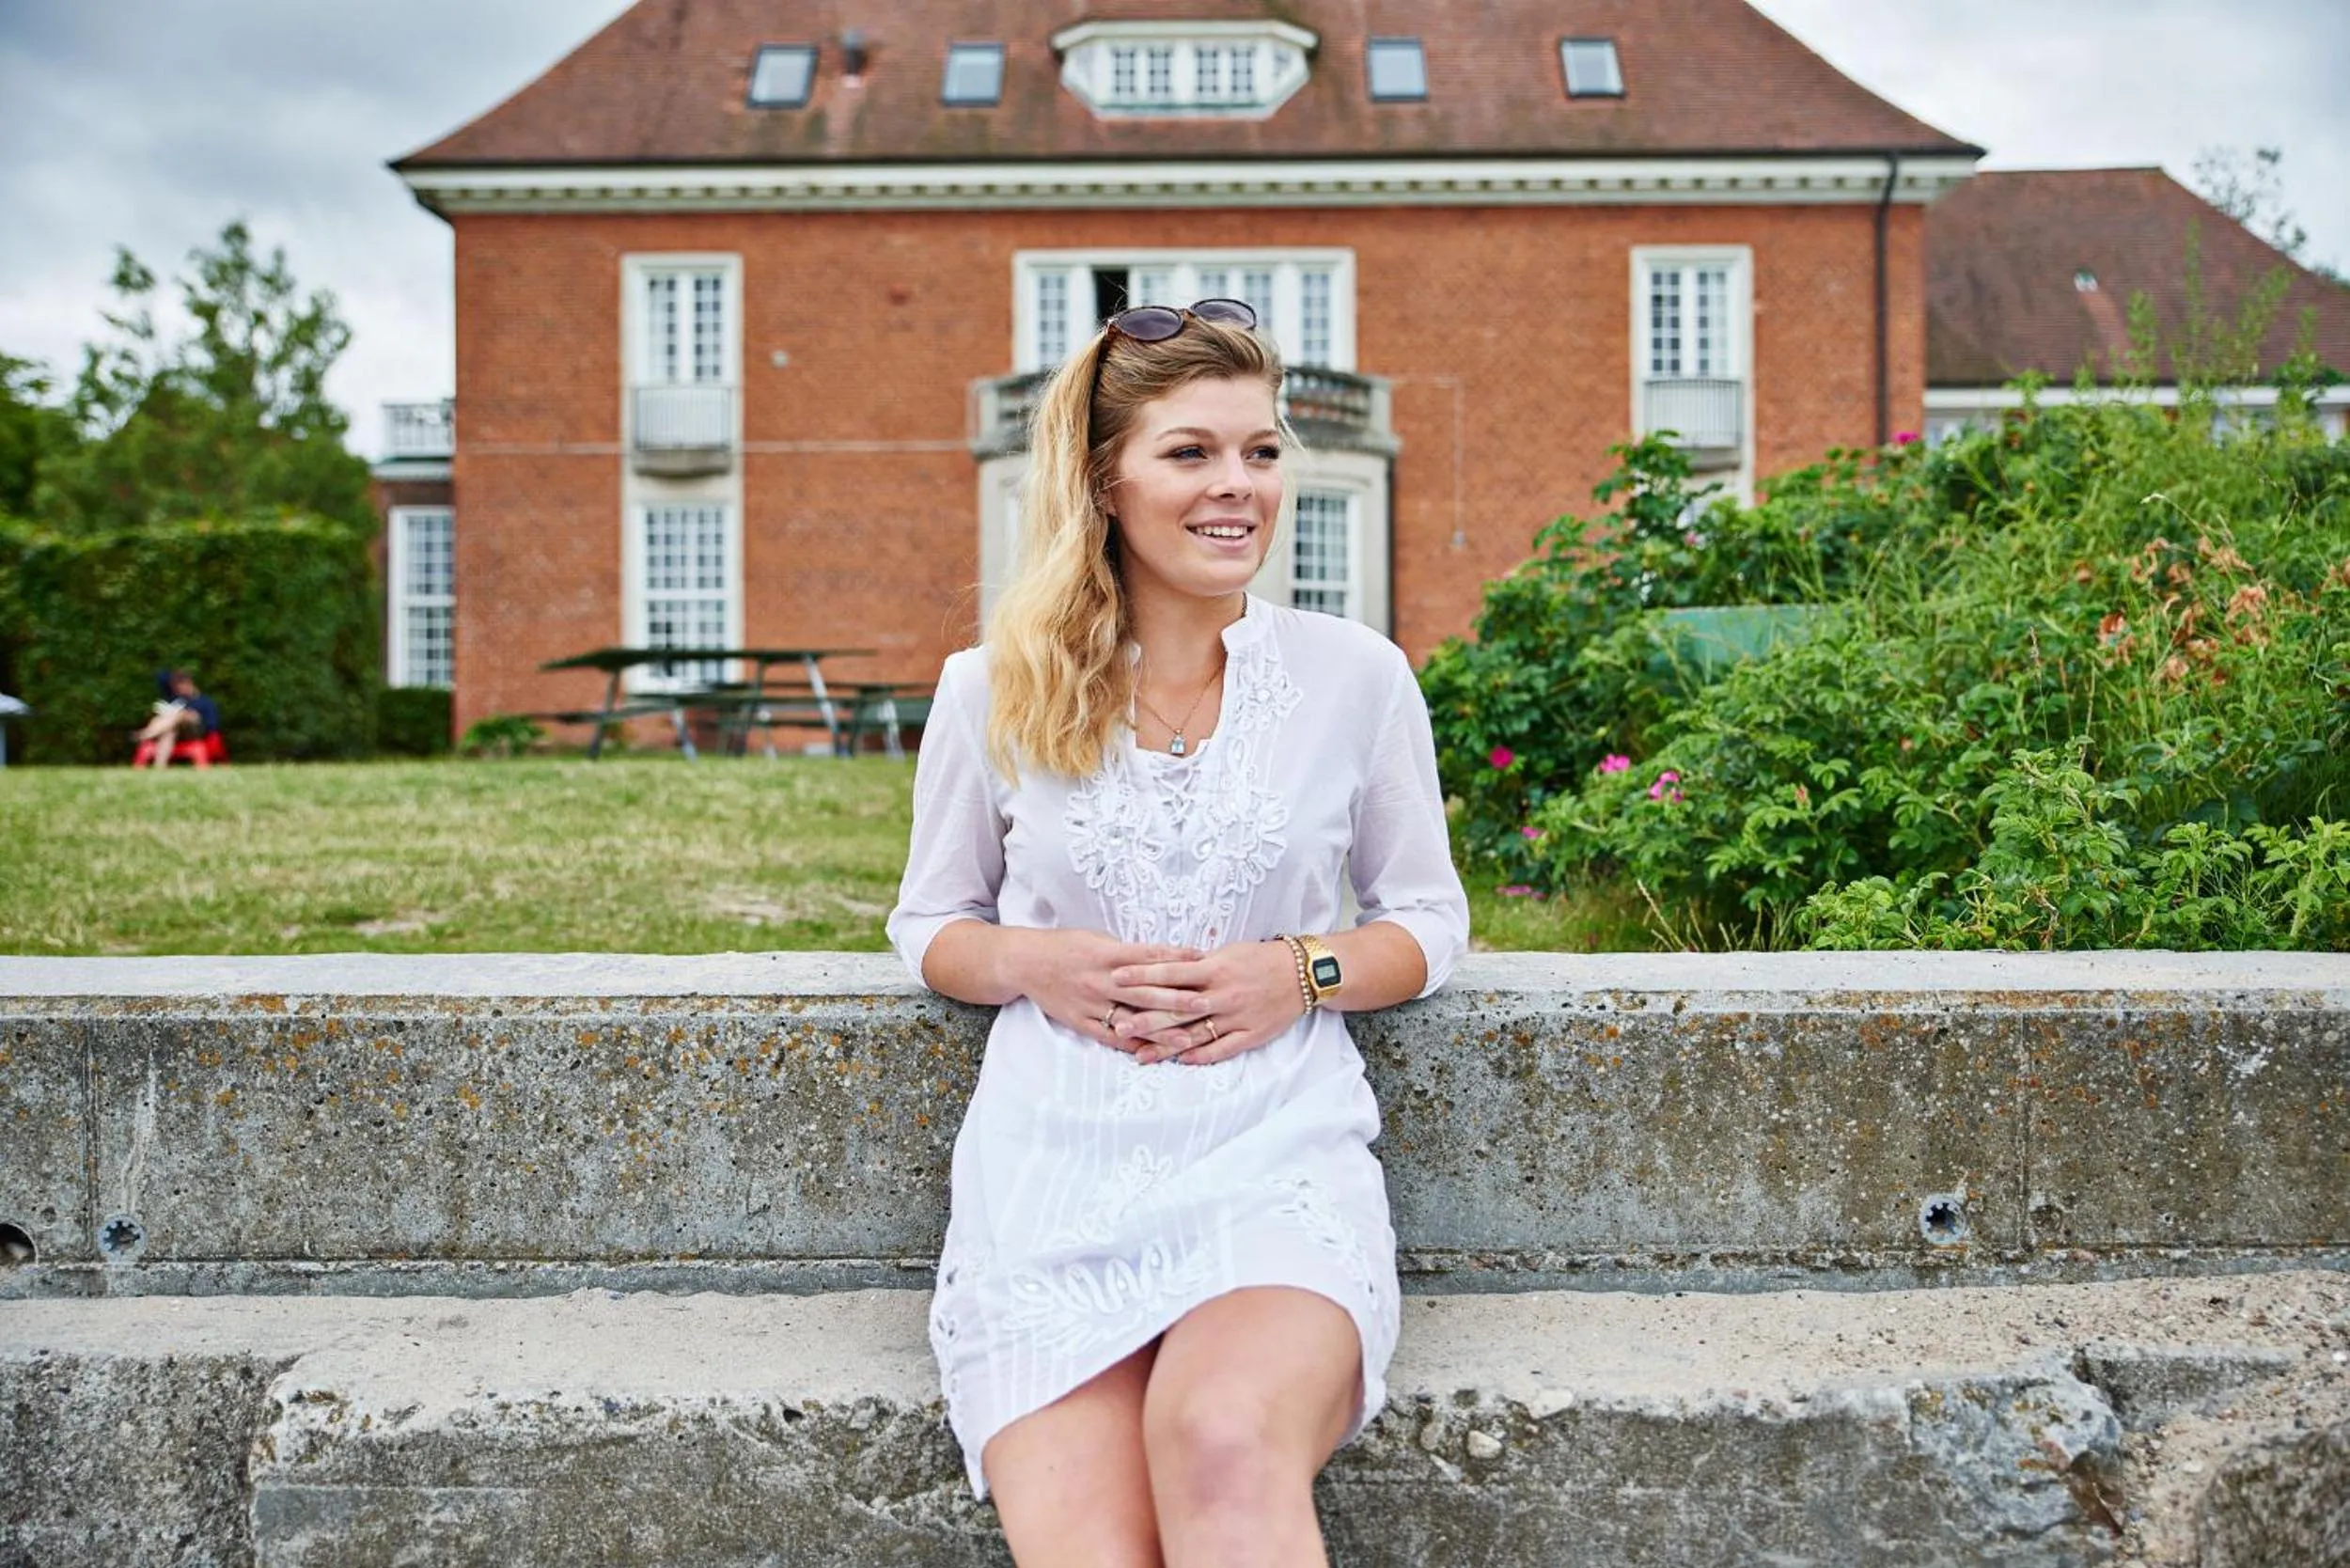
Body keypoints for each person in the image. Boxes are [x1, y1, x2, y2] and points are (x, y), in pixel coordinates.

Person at [886, 297, 1468, 1567]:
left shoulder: (1355, 679)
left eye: (1261, 452)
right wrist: (1034, 961)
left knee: (1219, 1444)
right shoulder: (992, 687)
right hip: (1053, 1171)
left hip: (1273, 1150)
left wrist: (1299, 972)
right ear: (1105, 479)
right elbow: (931, 921)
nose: (1240, 487)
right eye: (1192, 452)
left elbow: (1428, 919)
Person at [132, 668, 223, 768]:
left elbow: (212, 726)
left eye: (180, 687)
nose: (178, 691)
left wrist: (192, 716)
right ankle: (159, 766)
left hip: (196, 732)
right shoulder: (178, 700)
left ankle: (146, 734)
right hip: (176, 732)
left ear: (189, 684)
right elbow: (160, 676)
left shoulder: (205, 702)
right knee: (169, 729)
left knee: (182, 714)